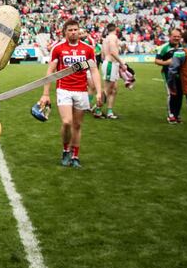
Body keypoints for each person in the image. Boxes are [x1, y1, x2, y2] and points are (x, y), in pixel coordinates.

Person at [39, 19, 102, 168]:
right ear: (65, 32)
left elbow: (94, 70)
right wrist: (46, 93)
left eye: (76, 30)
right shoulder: (58, 48)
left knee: (77, 125)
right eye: (70, 30)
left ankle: (75, 156)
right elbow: (50, 71)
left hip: (81, 90)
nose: (74, 32)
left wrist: (99, 92)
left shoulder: (88, 49)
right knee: (67, 122)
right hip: (64, 89)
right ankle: (66, 150)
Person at [155, 28, 184, 124]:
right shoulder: (164, 48)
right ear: (170, 36)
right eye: (174, 36)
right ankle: (171, 114)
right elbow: (156, 61)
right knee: (171, 93)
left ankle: (177, 114)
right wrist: (166, 62)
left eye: (178, 36)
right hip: (168, 74)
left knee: (180, 94)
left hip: (181, 75)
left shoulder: (183, 47)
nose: (176, 38)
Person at [99, 23, 125, 119]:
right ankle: (97, 109)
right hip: (111, 64)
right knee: (107, 89)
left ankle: (109, 112)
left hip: (109, 64)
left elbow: (102, 55)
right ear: (116, 30)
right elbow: (113, 52)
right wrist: (122, 63)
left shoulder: (106, 39)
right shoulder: (113, 37)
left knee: (114, 89)